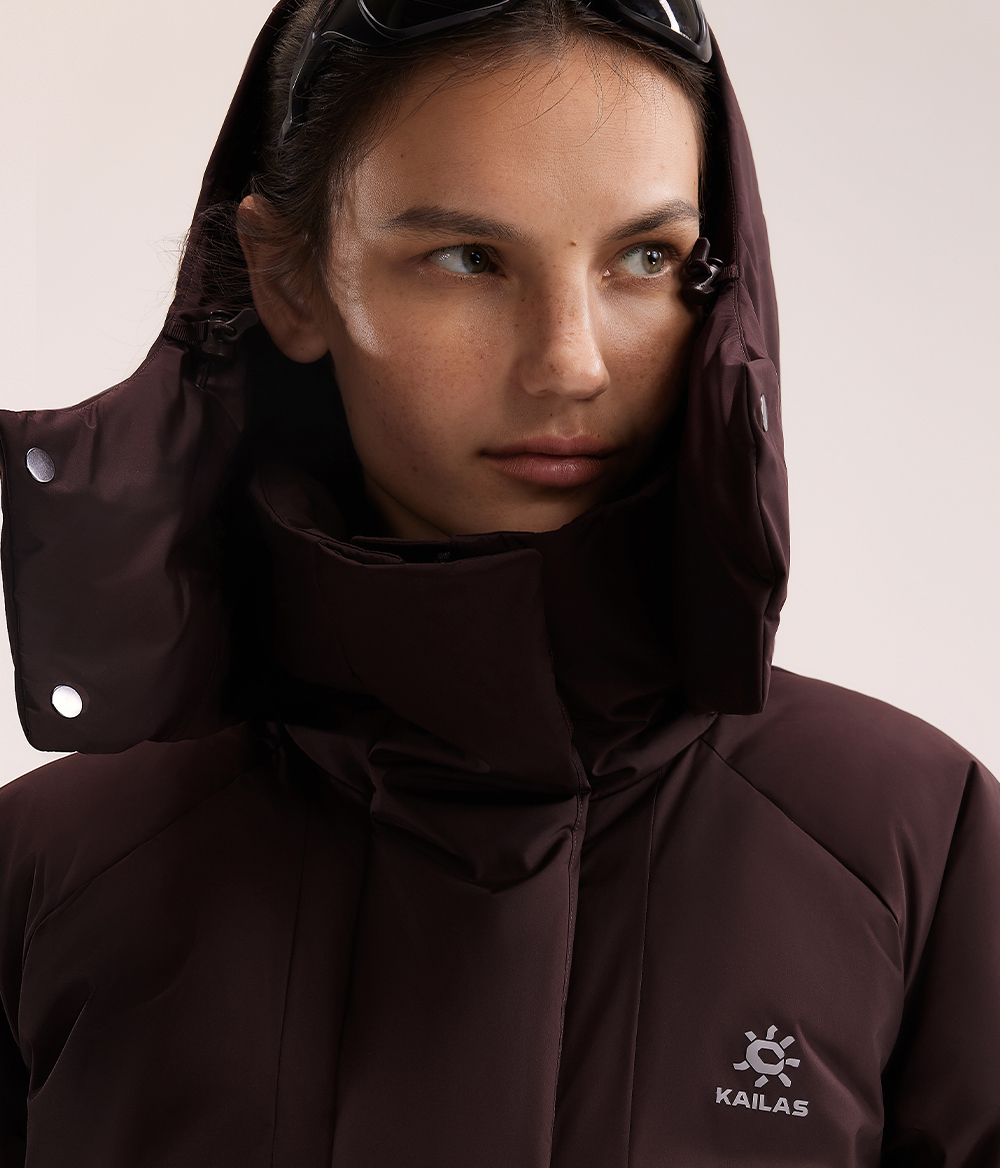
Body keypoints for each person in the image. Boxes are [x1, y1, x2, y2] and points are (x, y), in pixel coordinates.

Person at [0, 0, 996, 1164]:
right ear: (290, 280)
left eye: (646, 258)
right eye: (468, 258)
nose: (569, 362)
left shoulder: (912, 843)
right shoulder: (53, 869)